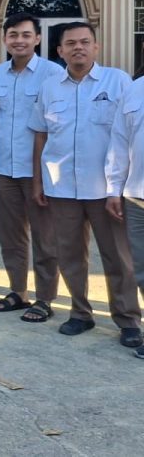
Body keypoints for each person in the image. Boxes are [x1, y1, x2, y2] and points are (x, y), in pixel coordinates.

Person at [31, 23, 142, 347]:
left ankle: (127, 319)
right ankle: (80, 313)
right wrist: (38, 181)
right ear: (60, 51)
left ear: (96, 46)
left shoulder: (119, 82)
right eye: (70, 43)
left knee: (118, 257)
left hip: (105, 189)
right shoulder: (50, 87)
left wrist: (119, 186)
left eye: (84, 42)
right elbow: (41, 134)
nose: (78, 47)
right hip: (61, 186)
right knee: (70, 254)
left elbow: (127, 136)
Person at [0, 13, 63, 323]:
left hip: (39, 172)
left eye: (25, 34)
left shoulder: (52, 74)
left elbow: (57, 127)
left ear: (38, 39)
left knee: (45, 237)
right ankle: (18, 291)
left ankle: (45, 298)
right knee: (11, 235)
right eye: (13, 34)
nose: (19, 40)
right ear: (5, 39)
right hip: (4, 168)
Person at [105, 74, 144, 359]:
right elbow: (119, 142)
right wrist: (113, 189)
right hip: (136, 194)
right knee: (141, 269)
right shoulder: (134, 90)